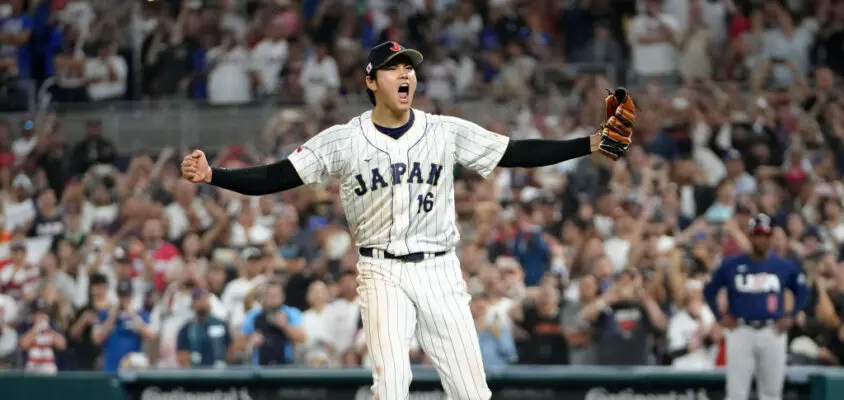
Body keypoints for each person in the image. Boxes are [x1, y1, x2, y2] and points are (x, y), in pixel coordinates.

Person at [181, 41, 635, 399]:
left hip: (439, 268)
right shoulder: (343, 140)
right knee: (391, 385)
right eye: (394, 68)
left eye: (409, 67)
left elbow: (515, 151)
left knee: (472, 392)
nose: (405, 74)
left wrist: (591, 143)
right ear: (371, 81)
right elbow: (277, 175)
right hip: (380, 270)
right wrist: (214, 175)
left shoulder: (443, 130)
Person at [703, 214, 810, 400]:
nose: (763, 239)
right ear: (751, 236)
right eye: (759, 234)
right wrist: (720, 316)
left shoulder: (784, 266)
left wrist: (791, 315)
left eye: (767, 235)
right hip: (741, 331)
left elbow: (802, 291)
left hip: (772, 331)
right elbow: (709, 290)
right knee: (736, 393)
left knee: (771, 393)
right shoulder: (732, 264)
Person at [92, 279, 155, 373]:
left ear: (131, 295)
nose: (123, 299)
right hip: (111, 368)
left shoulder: (141, 313)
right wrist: (111, 318)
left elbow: (151, 336)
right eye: (121, 296)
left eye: (126, 296)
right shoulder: (105, 314)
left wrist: (133, 315)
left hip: (133, 369)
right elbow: (96, 339)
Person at [176, 288, 233, 368]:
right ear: (193, 304)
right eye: (199, 299)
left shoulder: (220, 324)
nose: (203, 302)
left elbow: (230, 350)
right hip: (196, 374)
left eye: (205, 299)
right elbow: (182, 356)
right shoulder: (186, 329)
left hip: (219, 374)